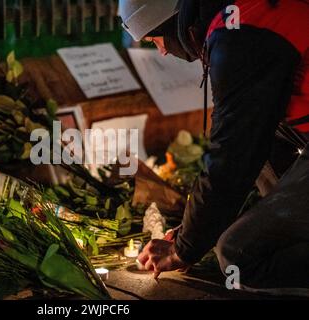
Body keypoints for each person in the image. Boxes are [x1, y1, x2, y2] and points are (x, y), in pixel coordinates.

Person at [119, 0, 309, 291]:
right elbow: (248, 141)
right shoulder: (242, 14)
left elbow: (231, 157)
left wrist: (184, 248)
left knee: (239, 255)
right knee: (261, 142)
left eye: (155, 39)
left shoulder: (242, 33)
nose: (163, 50)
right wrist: (194, 230)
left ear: (172, 21)